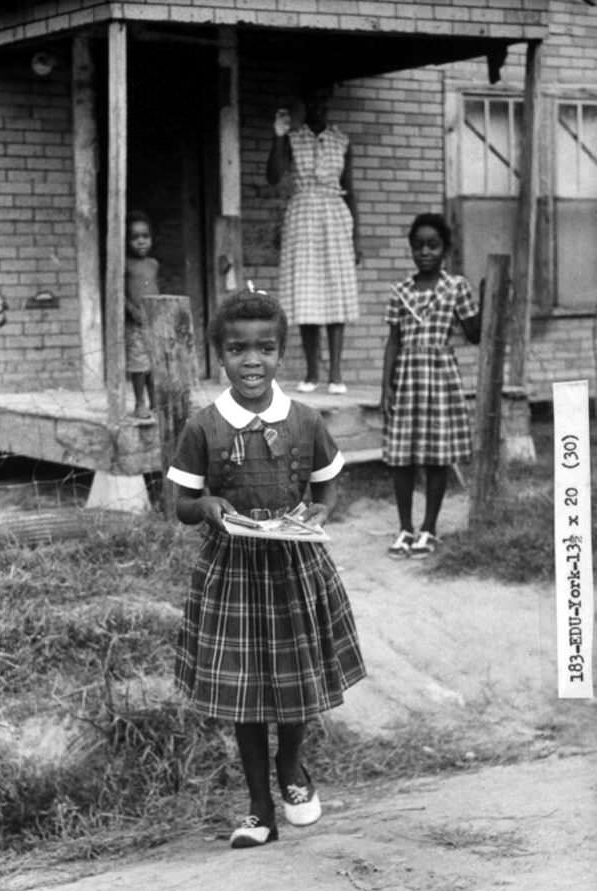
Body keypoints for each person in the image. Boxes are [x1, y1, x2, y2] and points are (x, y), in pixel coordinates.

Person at [167, 286, 366, 849]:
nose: (252, 361)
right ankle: (259, 809)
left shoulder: (304, 419)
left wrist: (321, 508)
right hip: (233, 573)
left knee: (295, 682)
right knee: (246, 693)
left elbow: (328, 477)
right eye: (237, 350)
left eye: (265, 349)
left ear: (282, 354)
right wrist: (204, 507)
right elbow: (179, 503)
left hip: (294, 566)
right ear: (220, 356)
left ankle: (292, 769)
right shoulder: (204, 426)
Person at [380, 213, 483, 559]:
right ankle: (405, 528)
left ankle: (429, 529)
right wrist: (386, 388)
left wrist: (488, 296)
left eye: (433, 245)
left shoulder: (456, 287)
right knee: (402, 457)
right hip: (407, 377)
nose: (425, 251)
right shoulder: (401, 291)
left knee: (436, 456)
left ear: (445, 249)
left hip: (440, 376)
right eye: (419, 246)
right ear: (411, 249)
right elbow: (393, 342)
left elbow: (475, 334)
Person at [266, 81, 361, 395]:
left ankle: (335, 374)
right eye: (312, 100)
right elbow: (274, 176)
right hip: (303, 216)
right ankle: (311, 373)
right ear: (303, 104)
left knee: (335, 292)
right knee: (307, 294)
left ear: (328, 101)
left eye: (323, 99)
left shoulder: (341, 140)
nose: (318, 105)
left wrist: (356, 237)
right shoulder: (294, 139)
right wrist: (278, 136)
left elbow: (350, 191)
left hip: (334, 217)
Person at [125, 210, 159, 420]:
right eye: (135, 237)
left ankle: (156, 401)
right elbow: (120, 293)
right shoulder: (126, 264)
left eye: (145, 236)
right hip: (135, 322)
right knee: (139, 365)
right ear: (127, 241)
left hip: (153, 321)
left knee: (154, 363)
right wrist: (132, 310)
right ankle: (140, 403)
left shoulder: (153, 264)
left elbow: (155, 289)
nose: (141, 242)